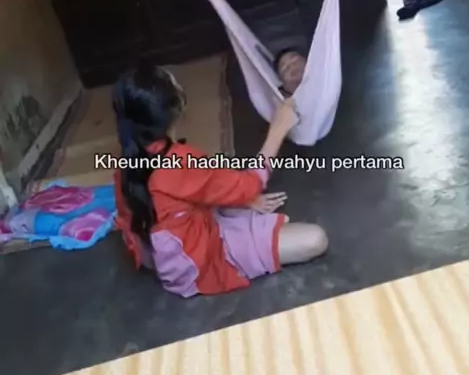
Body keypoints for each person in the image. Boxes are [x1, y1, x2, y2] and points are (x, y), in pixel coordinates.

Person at [113, 62, 328, 298]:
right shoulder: (180, 162)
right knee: (315, 239)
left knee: (244, 207)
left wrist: (239, 198)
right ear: (176, 106)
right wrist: (279, 127)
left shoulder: (128, 161)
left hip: (166, 254)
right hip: (195, 263)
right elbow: (250, 184)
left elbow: (178, 193)